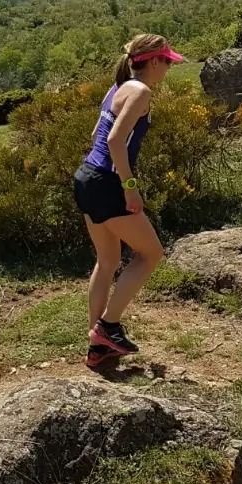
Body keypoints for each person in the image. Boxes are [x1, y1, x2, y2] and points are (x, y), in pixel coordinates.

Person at [73, 33, 184, 368]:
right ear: (153, 61)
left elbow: (96, 136)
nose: (168, 68)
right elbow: (115, 139)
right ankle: (108, 327)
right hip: (108, 182)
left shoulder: (118, 87)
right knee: (151, 253)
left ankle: (98, 346)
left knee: (107, 261)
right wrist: (129, 186)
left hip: (87, 177)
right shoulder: (140, 91)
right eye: (167, 61)